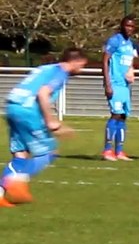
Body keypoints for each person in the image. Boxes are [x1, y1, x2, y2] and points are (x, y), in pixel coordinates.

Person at [0, 48, 88, 207]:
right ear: (76, 61)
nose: (81, 69)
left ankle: (0, 195)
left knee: (21, 154)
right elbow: (43, 92)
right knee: (49, 152)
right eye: (82, 65)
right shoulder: (60, 72)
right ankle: (14, 183)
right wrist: (50, 121)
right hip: (27, 111)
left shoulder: (45, 68)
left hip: (12, 107)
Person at [101, 15, 138, 161]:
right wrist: (107, 83)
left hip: (125, 85)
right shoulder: (114, 40)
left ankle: (119, 151)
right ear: (122, 26)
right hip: (115, 83)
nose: (129, 28)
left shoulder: (130, 43)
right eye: (127, 25)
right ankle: (107, 150)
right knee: (115, 114)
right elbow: (105, 61)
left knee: (123, 116)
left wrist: (131, 71)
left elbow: (128, 62)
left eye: (132, 26)